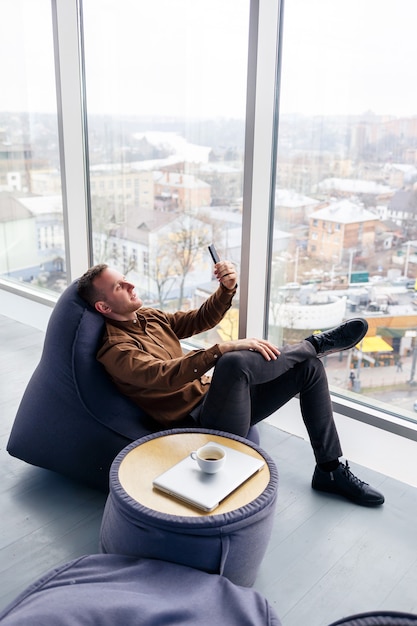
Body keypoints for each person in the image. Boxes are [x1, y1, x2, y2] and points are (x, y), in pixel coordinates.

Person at [77, 261, 385, 507]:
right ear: (104, 307)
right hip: (198, 426)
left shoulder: (148, 318)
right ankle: (316, 342)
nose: (131, 285)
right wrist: (219, 350)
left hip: (221, 401)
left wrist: (226, 289)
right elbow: (162, 375)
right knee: (233, 361)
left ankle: (329, 470)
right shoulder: (115, 351)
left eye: (126, 278)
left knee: (309, 368)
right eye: (120, 286)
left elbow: (197, 319)